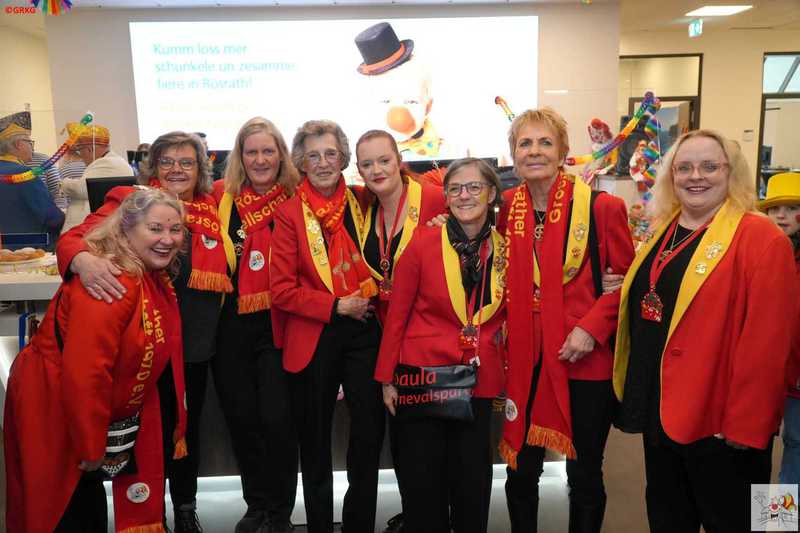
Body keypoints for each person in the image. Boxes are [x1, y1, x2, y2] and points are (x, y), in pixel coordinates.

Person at [614, 130, 797, 532]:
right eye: (684, 168)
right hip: (663, 412)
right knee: (667, 518)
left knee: (735, 521)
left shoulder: (762, 238)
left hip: (722, 422)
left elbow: (769, 345)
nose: (696, 176)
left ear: (731, 172)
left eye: (709, 166)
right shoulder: (664, 227)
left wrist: (746, 424)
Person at [57, 131, 234, 533]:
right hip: (143, 346)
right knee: (144, 434)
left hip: (194, 347)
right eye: (167, 161)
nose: (176, 170)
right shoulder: (131, 202)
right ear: (152, 167)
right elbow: (72, 239)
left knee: (185, 433)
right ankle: (145, 516)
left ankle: (185, 508)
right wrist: (84, 261)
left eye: (187, 162)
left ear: (201, 169)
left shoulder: (216, 207)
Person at [5, 188, 188, 533]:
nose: (167, 239)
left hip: (78, 411)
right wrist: (92, 445)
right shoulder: (109, 284)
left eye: (175, 230)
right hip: (53, 408)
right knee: (58, 511)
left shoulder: (146, 273)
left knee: (85, 507)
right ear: (126, 229)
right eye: (155, 229)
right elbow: (86, 374)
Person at [499, 108, 635, 533]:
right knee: (520, 470)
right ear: (514, 155)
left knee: (584, 473)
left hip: (582, 359)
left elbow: (625, 284)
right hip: (525, 358)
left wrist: (590, 329)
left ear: (562, 153)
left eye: (545, 142)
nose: (534, 151)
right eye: (525, 143)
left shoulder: (602, 207)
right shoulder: (507, 206)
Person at [374, 158, 506, 533]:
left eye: (474, 187)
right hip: (423, 379)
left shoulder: (507, 250)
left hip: (478, 379)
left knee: (472, 483)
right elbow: (397, 314)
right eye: (455, 189)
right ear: (445, 197)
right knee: (423, 485)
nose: (464, 196)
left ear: (491, 194)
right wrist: (386, 378)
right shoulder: (422, 242)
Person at [270, 119, 384, 533]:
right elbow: (281, 291)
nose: (322, 163)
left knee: (368, 434)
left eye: (331, 154)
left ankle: (358, 525)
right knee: (315, 441)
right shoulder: (288, 214)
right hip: (314, 334)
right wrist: (336, 306)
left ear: (344, 159)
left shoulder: (364, 201)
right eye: (313, 156)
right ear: (301, 162)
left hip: (364, 332)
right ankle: (319, 524)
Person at [354, 129, 445, 533]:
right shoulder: (363, 208)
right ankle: (415, 512)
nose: (377, 170)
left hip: (428, 337)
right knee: (401, 437)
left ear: (399, 160)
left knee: (427, 439)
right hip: (384, 334)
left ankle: (431, 517)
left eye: (384, 160)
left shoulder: (435, 200)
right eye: (367, 164)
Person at [212, 117, 299, 533]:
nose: (260, 159)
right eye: (252, 152)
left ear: (281, 155)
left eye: (268, 151)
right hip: (231, 326)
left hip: (281, 323)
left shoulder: (297, 199)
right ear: (240, 157)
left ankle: (280, 511)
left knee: (278, 422)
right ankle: (256, 504)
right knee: (243, 420)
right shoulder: (220, 198)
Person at [759, 171, 800, 484]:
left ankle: (785, 512)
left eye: (791, 208)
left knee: (795, 444)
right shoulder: (760, 251)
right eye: (774, 208)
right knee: (759, 445)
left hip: (795, 375)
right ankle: (775, 512)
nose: (781, 215)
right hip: (766, 373)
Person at [0, 111, 65, 249]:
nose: (32, 148)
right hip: (27, 251)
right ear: (19, 144)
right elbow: (51, 218)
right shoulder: (23, 174)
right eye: (30, 142)